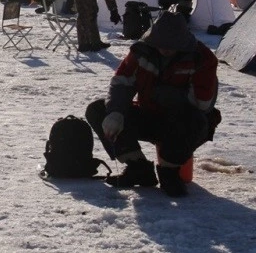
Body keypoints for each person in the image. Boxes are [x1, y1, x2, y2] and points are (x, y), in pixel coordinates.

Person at [85, 11, 221, 197]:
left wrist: (163, 95)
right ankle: (138, 167)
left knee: (192, 120)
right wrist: (115, 112)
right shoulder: (141, 52)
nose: (165, 49)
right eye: (160, 44)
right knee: (98, 110)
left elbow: (203, 104)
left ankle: (170, 172)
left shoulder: (202, 58)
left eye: (171, 46)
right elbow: (121, 83)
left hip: (184, 123)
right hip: (148, 115)